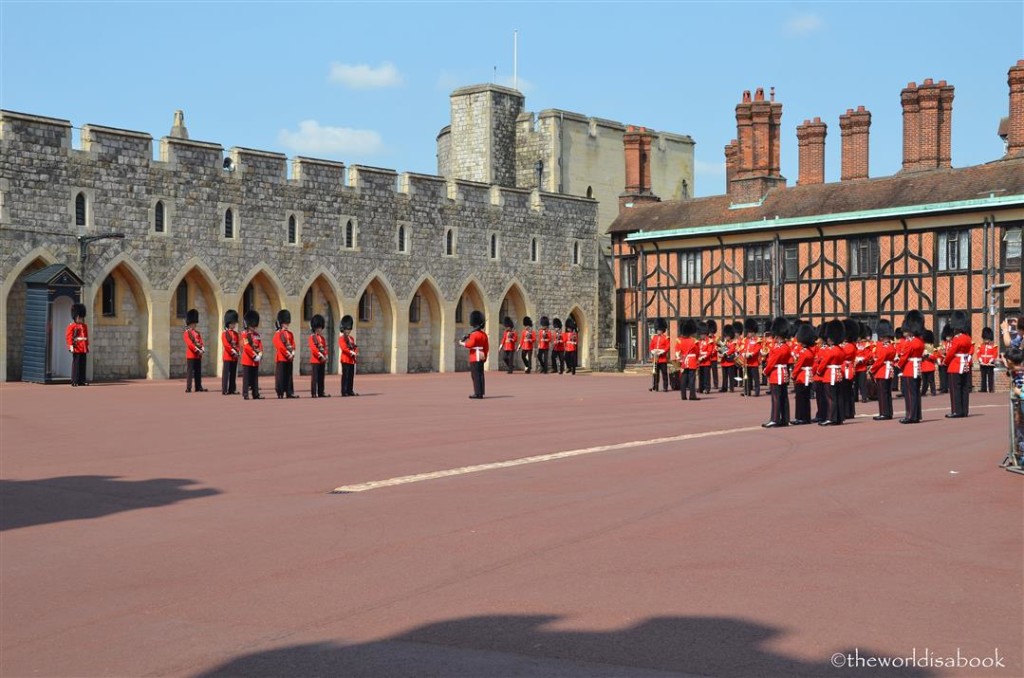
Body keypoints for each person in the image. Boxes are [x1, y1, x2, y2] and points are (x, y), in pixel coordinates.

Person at [895, 310, 926, 424]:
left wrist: (898, 365)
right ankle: (916, 415)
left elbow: (904, 357)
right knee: (915, 393)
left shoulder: (911, 342)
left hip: (909, 369)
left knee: (909, 394)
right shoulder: (920, 341)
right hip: (917, 368)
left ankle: (910, 416)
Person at [762, 317, 792, 428]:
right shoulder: (786, 346)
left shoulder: (779, 348)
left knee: (776, 397)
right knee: (783, 397)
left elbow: (772, 362)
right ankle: (785, 419)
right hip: (783, 373)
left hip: (776, 373)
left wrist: (765, 371)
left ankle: (774, 419)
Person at [942, 310, 973, 418]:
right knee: (964, 388)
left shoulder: (957, 338)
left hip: (955, 365)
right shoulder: (968, 338)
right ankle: (964, 411)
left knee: (955, 389)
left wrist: (945, 361)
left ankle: (956, 411)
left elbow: (951, 352)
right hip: (965, 365)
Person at [817, 319, 846, 426]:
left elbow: (824, 363)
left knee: (830, 398)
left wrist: (819, 372)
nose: (827, 339)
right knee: (838, 397)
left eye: (829, 337)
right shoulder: (841, 350)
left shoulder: (831, 350)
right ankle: (839, 417)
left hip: (830, 375)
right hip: (838, 374)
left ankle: (830, 418)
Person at [869, 320, 897, 420]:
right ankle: (888, 412)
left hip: (882, 371)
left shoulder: (886, 347)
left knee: (882, 393)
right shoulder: (891, 346)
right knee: (887, 393)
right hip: (887, 370)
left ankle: (884, 413)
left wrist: (872, 369)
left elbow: (880, 360)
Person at [791, 322, 816, 425]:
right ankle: (806, 417)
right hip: (808, 376)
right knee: (806, 399)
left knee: (800, 399)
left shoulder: (803, 352)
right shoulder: (810, 351)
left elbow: (798, 366)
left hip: (802, 377)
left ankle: (800, 418)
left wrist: (793, 375)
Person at [460, 310, 488, 398]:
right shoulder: (484, 335)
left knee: (475, 375)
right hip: (481, 355)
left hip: (474, 356)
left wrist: (462, 343)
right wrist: (485, 356)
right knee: (480, 375)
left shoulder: (474, 334)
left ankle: (477, 393)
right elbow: (486, 347)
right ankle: (481, 392)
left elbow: (470, 345)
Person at [273, 309, 298, 398]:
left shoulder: (290, 334)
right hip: (281, 358)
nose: (287, 325)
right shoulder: (278, 334)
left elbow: (293, 343)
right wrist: (288, 354)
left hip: (289, 358)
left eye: (287, 323)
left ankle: (289, 392)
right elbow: (280, 346)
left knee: (289, 376)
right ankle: (280, 392)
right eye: (285, 323)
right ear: (281, 323)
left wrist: (293, 352)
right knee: (281, 376)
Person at [241, 310, 264, 400]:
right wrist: (254, 355)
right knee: (246, 379)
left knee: (255, 378)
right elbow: (246, 346)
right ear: (248, 324)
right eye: (252, 326)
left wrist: (260, 354)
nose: (254, 327)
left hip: (255, 361)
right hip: (248, 360)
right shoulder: (244, 335)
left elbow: (260, 345)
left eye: (254, 326)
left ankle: (256, 394)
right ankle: (245, 394)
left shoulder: (257, 335)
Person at [183, 309, 207, 393]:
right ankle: (188, 387)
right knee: (190, 372)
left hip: (198, 355)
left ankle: (198, 386)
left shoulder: (197, 333)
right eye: (193, 323)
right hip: (191, 355)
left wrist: (202, 349)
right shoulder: (187, 333)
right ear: (189, 323)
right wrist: (197, 350)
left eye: (195, 323)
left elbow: (201, 342)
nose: (194, 325)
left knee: (198, 372)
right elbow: (189, 344)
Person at [675, 318, 699, 401]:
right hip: (692, 361)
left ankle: (683, 396)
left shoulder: (679, 341)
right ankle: (692, 395)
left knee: (683, 379)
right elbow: (697, 352)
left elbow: (677, 352)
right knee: (692, 379)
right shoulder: (694, 341)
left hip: (683, 361)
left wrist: (679, 359)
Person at [66, 302, 89, 386]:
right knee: (76, 365)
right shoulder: (72, 326)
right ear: (76, 317)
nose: (81, 319)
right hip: (77, 348)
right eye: (80, 317)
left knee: (83, 364)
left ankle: (82, 380)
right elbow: (69, 337)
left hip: (83, 348)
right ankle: (74, 380)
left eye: (82, 317)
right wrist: (70, 346)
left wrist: (87, 346)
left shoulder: (84, 326)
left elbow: (86, 337)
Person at [308, 314, 330, 398]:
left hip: (322, 360)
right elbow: (313, 349)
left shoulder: (322, 338)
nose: (319, 329)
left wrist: (326, 355)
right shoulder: (312, 337)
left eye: (320, 328)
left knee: (321, 377)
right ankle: (314, 392)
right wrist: (320, 355)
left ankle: (321, 392)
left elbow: (325, 347)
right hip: (315, 360)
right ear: (315, 328)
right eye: (318, 328)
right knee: (315, 378)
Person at [221, 310, 240, 395]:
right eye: (233, 323)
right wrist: (233, 351)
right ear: (228, 323)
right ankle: (224, 389)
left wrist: (238, 351)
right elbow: (226, 345)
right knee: (226, 374)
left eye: (234, 323)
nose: (234, 325)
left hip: (234, 356)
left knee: (233, 374)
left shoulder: (236, 334)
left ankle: (232, 389)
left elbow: (238, 344)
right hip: (228, 356)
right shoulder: (225, 333)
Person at [339, 315, 358, 397]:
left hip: (351, 360)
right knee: (345, 376)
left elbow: (355, 346)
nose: (348, 331)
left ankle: (350, 390)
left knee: (351, 376)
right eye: (347, 329)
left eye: (349, 329)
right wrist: (351, 352)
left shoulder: (351, 339)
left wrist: (356, 352)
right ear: (343, 329)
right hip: (345, 359)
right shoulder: (342, 338)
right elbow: (344, 348)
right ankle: (344, 391)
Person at [649, 318, 670, 392]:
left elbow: (667, 347)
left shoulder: (666, 338)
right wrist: (653, 351)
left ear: (662, 330)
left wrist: (661, 352)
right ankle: (655, 387)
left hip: (662, 358)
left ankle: (665, 387)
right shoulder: (653, 337)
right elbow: (651, 346)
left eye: (660, 330)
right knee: (655, 374)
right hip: (655, 358)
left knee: (664, 373)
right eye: (657, 330)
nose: (658, 331)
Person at [742, 318, 762, 397]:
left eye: (749, 332)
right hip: (747, 362)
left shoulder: (757, 340)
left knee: (755, 378)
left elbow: (757, 349)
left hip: (754, 362)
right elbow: (744, 348)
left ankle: (757, 392)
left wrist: (751, 354)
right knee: (747, 378)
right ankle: (747, 391)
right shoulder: (746, 340)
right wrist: (744, 353)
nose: (748, 334)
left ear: (753, 332)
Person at [977, 327, 998, 393]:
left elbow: (995, 354)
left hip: (990, 364)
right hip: (983, 363)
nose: (986, 340)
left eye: (987, 339)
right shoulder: (981, 346)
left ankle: (991, 389)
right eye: (985, 339)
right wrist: (981, 361)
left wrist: (990, 361)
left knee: (990, 377)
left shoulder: (994, 346)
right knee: (983, 377)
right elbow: (979, 354)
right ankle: (983, 389)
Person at [719, 323, 737, 393]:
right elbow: (722, 349)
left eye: (728, 336)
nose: (726, 337)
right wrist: (720, 351)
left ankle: (731, 388)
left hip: (730, 362)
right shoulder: (724, 343)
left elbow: (731, 350)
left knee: (731, 376)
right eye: (726, 336)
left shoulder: (733, 343)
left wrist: (724, 354)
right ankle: (724, 387)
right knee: (724, 376)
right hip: (724, 362)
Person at [707, 319, 720, 392]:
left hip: (714, 358)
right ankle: (708, 384)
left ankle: (716, 384)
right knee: (707, 373)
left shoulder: (717, 339)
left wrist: (717, 349)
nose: (710, 333)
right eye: (710, 332)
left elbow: (723, 348)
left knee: (715, 372)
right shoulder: (706, 339)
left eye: (711, 332)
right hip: (707, 358)